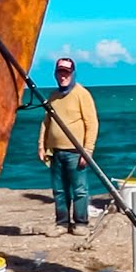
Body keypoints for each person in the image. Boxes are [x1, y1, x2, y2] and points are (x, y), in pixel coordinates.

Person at [37, 56, 99, 238]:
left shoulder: (82, 94)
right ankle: (61, 223)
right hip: (56, 151)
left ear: (72, 73)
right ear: (55, 74)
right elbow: (46, 123)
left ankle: (81, 223)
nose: (63, 76)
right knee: (59, 190)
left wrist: (88, 150)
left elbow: (92, 123)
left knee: (79, 190)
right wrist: (42, 145)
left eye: (66, 73)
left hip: (76, 152)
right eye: (60, 72)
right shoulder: (53, 96)